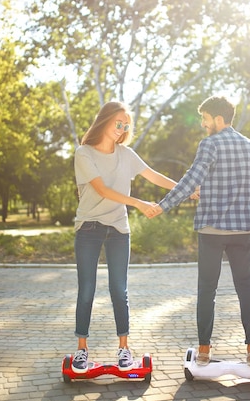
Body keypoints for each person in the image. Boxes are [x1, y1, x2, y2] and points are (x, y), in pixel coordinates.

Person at [148, 95, 250, 367]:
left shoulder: (209, 144)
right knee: (246, 288)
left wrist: (163, 206)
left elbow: (191, 179)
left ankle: (204, 351)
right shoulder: (249, 145)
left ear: (218, 119)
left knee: (207, 290)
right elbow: (235, 184)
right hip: (242, 230)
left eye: (205, 118)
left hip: (212, 230)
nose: (203, 124)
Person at [72, 101, 179, 374]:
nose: (121, 129)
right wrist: (139, 203)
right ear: (104, 121)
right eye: (117, 123)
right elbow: (102, 190)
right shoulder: (84, 153)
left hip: (118, 229)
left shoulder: (126, 154)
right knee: (86, 291)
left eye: (125, 125)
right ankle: (81, 351)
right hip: (89, 229)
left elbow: (153, 175)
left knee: (119, 290)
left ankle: (124, 349)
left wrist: (186, 189)